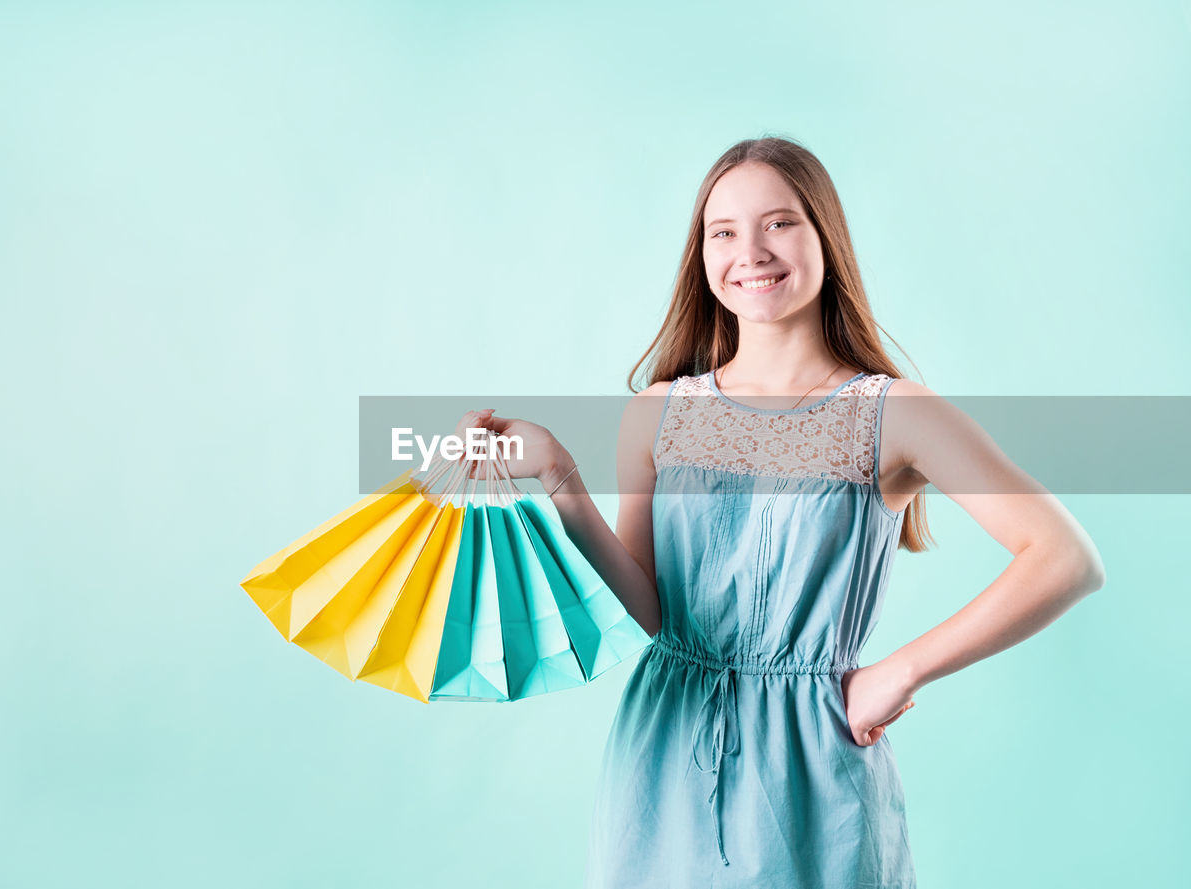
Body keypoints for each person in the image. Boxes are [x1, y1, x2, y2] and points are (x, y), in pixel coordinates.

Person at [457, 136, 1106, 888]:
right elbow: (652, 613)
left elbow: (1066, 558)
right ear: (701, 255)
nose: (751, 251)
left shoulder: (894, 413)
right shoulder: (660, 411)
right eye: (723, 232)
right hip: (662, 755)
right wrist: (558, 475)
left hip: (814, 766)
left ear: (824, 234)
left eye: (780, 223)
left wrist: (902, 670)